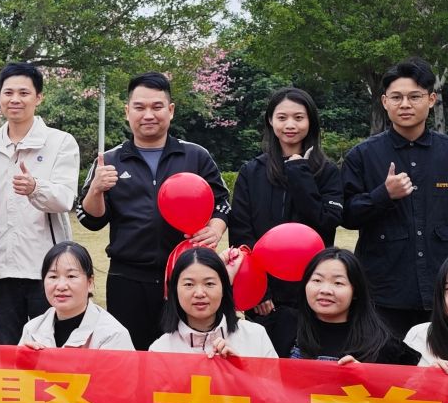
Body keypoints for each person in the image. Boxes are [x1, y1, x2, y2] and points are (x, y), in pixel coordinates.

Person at [77, 73, 234, 351]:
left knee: (185, 354)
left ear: (170, 110)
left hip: (186, 276)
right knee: (130, 355)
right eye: (139, 107)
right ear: (127, 111)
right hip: (127, 278)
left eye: (157, 106)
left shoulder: (195, 156)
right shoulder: (109, 160)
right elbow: (90, 219)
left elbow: (222, 202)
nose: (148, 115)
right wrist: (96, 190)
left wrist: (216, 228)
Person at [340, 59, 448, 337]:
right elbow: (346, 215)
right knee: (383, 362)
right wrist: (383, 195)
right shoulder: (363, 155)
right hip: (383, 291)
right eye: (396, 97)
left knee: (444, 360)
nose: (405, 104)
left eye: (414, 97)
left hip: (445, 287)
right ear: (385, 102)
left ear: (431, 100)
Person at [229, 86, 344, 356]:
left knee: (309, 369)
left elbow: (326, 221)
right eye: (282, 117)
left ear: (310, 121)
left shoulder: (327, 172)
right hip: (266, 302)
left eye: (298, 117)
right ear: (271, 120)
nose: (290, 125)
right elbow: (242, 233)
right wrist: (258, 290)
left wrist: (298, 171)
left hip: (313, 294)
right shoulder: (252, 172)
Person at [0, 62, 81, 345]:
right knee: (8, 350)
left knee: (51, 348)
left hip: (47, 268)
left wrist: (35, 188)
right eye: (8, 92)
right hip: (1, 267)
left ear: (38, 97)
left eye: (24, 93)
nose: (15, 99)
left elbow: (65, 197)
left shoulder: (61, 143)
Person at [286, 248, 418, 365]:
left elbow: (410, 380)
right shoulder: (284, 325)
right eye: (317, 280)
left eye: (338, 283)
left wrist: (368, 376)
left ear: (356, 291)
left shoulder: (382, 345)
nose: (325, 290)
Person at [149, 246, 278, 357]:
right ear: (175, 290)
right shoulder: (160, 351)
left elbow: (274, 379)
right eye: (189, 284)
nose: (200, 293)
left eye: (209, 283)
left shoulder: (255, 336)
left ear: (223, 288)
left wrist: (239, 371)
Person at [20, 242, 135, 350]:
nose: (61, 286)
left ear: (90, 283)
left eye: (71, 276)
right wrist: (21, 358)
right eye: (53, 277)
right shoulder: (32, 329)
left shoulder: (113, 335)